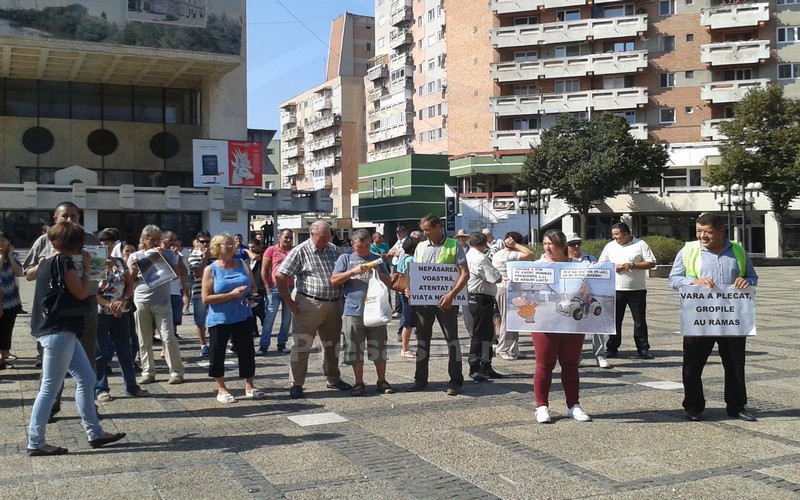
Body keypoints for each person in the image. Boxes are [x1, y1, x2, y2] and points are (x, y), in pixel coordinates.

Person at [27, 222, 125, 456]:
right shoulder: (64, 262)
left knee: (87, 377)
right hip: (58, 331)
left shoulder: (48, 260)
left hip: (58, 329)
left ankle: (95, 432)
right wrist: (90, 267)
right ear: (75, 244)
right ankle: (36, 441)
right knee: (50, 386)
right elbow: (81, 293)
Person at [668, 213, 758, 422]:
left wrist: (747, 282)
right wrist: (694, 281)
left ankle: (736, 406)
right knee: (692, 364)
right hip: (699, 317)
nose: (702, 236)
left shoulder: (737, 250)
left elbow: (752, 276)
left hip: (732, 317)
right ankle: (693, 406)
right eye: (699, 231)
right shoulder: (689, 250)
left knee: (735, 364)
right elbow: (673, 279)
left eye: (707, 232)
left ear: (721, 231)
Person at [276, 220, 352, 399]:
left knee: (332, 345)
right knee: (302, 345)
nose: (326, 240)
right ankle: (296, 383)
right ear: (312, 234)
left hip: (333, 303)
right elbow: (280, 276)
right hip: (309, 303)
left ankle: (333, 378)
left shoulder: (333, 249)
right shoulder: (300, 251)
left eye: (328, 237)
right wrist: (289, 302)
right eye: (322, 238)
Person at [532, 229, 592, 424]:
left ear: (563, 246)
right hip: (545, 322)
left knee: (570, 363)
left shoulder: (580, 266)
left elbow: (595, 283)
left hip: (571, 322)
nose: (548, 248)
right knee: (544, 364)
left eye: (552, 244)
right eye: (545, 244)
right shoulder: (537, 266)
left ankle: (573, 405)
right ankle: (541, 406)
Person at [406, 214, 468, 396]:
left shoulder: (453, 245)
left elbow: (465, 274)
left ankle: (456, 380)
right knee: (422, 341)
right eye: (423, 230)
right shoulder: (420, 246)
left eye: (427, 230)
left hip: (446, 302)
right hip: (424, 303)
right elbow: (415, 272)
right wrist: (410, 289)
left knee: (452, 340)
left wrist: (451, 295)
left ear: (437, 227)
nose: (424, 233)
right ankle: (420, 379)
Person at [332, 229, 396, 396]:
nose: (365, 250)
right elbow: (334, 280)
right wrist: (352, 272)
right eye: (360, 247)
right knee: (354, 348)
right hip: (353, 311)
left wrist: (378, 273)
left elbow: (390, 282)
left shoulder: (376, 258)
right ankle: (359, 382)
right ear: (353, 245)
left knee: (379, 347)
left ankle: (381, 380)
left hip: (375, 311)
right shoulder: (345, 258)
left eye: (367, 245)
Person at [202, 233, 265, 403]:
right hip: (220, 318)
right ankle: (221, 389)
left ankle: (249, 386)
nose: (230, 246)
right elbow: (206, 298)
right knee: (217, 353)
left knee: (247, 352)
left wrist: (253, 295)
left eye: (231, 243)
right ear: (217, 247)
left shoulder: (242, 264)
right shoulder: (211, 269)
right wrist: (230, 295)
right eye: (225, 244)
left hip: (243, 315)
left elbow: (252, 286)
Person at [94, 229, 150, 401]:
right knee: (101, 352)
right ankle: (100, 388)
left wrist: (124, 300)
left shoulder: (120, 262)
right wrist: (108, 304)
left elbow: (129, 284)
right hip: (101, 311)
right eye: (104, 243)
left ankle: (131, 386)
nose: (107, 246)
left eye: (111, 242)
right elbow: (90, 289)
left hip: (122, 310)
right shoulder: (95, 262)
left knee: (125, 349)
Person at [128, 225, 185, 385]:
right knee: (144, 339)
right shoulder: (135, 256)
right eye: (150, 239)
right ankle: (148, 372)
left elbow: (176, 275)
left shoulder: (168, 253)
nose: (154, 242)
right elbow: (129, 282)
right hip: (141, 300)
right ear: (144, 241)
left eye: (157, 239)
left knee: (168, 337)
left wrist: (164, 258)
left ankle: (176, 372)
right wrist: (132, 271)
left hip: (162, 301)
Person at [598, 222, 657, 359]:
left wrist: (633, 265)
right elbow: (601, 264)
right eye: (613, 234)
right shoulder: (610, 246)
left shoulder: (641, 244)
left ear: (626, 234)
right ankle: (612, 348)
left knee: (640, 321)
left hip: (637, 289)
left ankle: (643, 348)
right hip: (616, 289)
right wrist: (613, 267)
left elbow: (652, 263)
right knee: (615, 321)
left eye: (617, 234)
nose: (614, 237)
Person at [565, 232, 610, 369]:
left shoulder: (590, 258)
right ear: (566, 246)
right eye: (572, 244)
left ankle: (600, 354)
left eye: (578, 243)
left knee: (597, 324)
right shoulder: (564, 260)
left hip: (590, 295)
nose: (576, 246)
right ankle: (576, 356)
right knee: (574, 327)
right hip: (573, 296)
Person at [465, 232, 503, 381]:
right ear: (485, 243)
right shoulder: (480, 258)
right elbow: (496, 278)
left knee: (486, 334)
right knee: (480, 335)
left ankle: (485, 366)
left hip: (476, 298)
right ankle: (475, 367)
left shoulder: (468, 255)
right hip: (480, 298)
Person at [492, 231, 535, 361]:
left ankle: (512, 348)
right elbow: (531, 254)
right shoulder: (511, 255)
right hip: (506, 289)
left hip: (504, 289)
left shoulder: (498, 253)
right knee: (507, 320)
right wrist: (516, 245)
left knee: (514, 321)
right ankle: (503, 348)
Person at [257, 229, 294, 355]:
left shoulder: (293, 251)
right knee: (269, 318)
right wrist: (267, 286)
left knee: (287, 318)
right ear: (279, 237)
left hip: (290, 288)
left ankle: (282, 343)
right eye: (286, 237)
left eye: (290, 238)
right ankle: (263, 346)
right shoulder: (271, 250)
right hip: (274, 288)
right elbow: (264, 269)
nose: (288, 240)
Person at [0, 230, 22, 369]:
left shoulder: (14, 255)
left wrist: (9, 256)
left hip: (11, 300)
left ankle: (3, 358)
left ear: (9, 242)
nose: (1, 243)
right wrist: (1, 258)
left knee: (7, 330)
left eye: (3, 240)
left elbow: (19, 272)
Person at [188, 231, 212, 356]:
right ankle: (203, 344)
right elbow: (198, 273)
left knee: (217, 318)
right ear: (197, 242)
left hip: (215, 292)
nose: (205, 244)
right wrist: (205, 258)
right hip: (199, 292)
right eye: (202, 241)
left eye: (207, 241)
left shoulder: (216, 255)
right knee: (200, 321)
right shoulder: (193, 256)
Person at [161, 231, 188, 342]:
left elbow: (184, 271)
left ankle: (170, 341)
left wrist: (176, 257)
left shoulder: (176, 254)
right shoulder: (157, 252)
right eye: (171, 240)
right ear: (162, 240)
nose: (174, 243)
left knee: (174, 319)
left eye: (175, 240)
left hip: (174, 291)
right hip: (161, 291)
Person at [397, 237, 418, 358]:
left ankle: (405, 347)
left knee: (407, 319)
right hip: (408, 292)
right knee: (408, 322)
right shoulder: (411, 259)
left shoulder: (402, 256)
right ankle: (405, 349)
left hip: (402, 291)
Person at [247, 238, 266, 337]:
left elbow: (255, 257)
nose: (251, 249)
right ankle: (254, 330)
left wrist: (246, 250)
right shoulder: (248, 257)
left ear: (259, 246)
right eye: (249, 247)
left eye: (253, 247)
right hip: (250, 286)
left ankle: (265, 327)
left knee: (260, 310)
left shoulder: (263, 254)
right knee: (252, 310)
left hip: (260, 286)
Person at [388, 225, 408, 317]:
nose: (398, 234)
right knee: (396, 287)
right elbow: (390, 251)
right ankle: (398, 308)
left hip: (402, 265)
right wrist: (394, 252)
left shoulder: (406, 241)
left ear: (405, 232)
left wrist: (395, 252)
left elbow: (400, 253)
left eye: (400, 232)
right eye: (397, 232)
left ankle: (399, 309)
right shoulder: (398, 242)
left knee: (400, 286)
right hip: (396, 264)